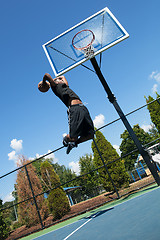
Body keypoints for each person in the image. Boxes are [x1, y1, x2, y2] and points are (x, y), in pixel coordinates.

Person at [38, 73, 94, 154]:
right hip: (74, 109)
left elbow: (63, 77)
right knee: (73, 137)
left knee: (90, 135)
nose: (60, 80)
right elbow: (46, 75)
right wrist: (45, 82)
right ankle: (66, 139)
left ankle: (74, 144)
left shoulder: (65, 86)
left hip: (83, 108)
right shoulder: (55, 87)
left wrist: (58, 78)